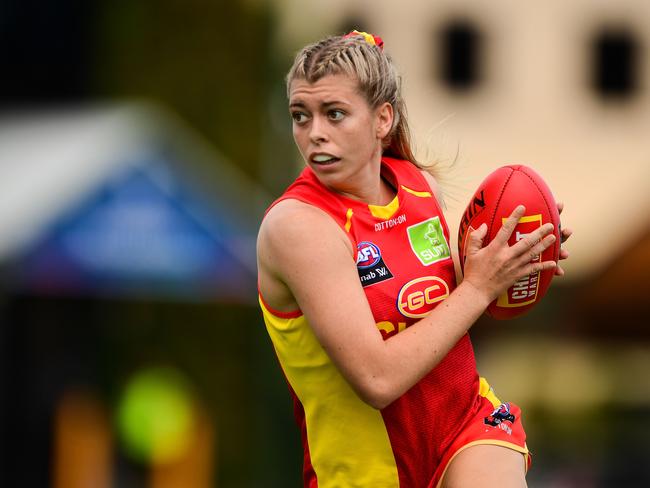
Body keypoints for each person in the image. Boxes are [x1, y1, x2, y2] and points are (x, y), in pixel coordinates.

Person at [257, 30, 571, 488]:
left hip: (464, 425)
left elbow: (435, 297)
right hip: (367, 474)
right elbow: (376, 379)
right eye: (300, 116)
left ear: (382, 119)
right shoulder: (298, 226)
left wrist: (511, 257)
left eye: (335, 114)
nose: (314, 133)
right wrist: (479, 287)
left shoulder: (420, 186)